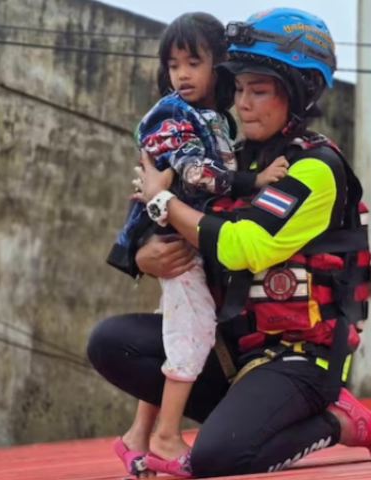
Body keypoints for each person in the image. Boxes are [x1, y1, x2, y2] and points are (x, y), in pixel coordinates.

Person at [89, 7, 371, 479]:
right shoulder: (230, 159)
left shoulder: (315, 168)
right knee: (110, 343)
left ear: (299, 94)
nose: (244, 104)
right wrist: (144, 256)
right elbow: (175, 224)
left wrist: (163, 202)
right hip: (234, 353)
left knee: (218, 458)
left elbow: (243, 247)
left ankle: (339, 422)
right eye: (238, 90)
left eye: (259, 92)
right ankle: (246, 417)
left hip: (302, 359)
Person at [104, 11, 290, 478]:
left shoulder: (217, 120)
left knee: (179, 329)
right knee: (193, 330)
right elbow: (194, 173)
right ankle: (165, 436)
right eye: (173, 65)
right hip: (176, 238)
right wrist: (255, 180)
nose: (182, 74)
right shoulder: (172, 115)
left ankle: (137, 437)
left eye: (193, 62)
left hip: (187, 240)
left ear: (217, 67)